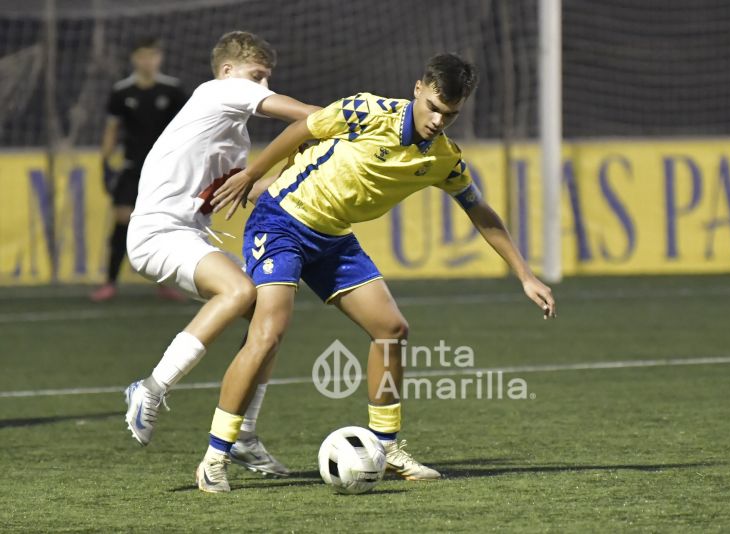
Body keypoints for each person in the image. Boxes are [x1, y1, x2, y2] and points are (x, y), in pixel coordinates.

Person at [197, 53, 557, 493]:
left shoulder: (444, 158)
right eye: (435, 108)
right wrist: (253, 174)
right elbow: (301, 130)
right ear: (419, 89)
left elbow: (480, 211)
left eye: (451, 114)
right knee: (269, 332)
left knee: (391, 329)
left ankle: (385, 449)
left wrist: (525, 275)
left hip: (333, 239)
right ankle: (215, 455)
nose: (440, 120)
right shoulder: (367, 111)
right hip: (282, 223)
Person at [122, 31, 319, 481]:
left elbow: (250, 191)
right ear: (229, 71)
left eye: (268, 80)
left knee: (266, 311)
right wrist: (345, 120)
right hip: (158, 232)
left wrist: (299, 168)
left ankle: (245, 434)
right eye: (257, 77)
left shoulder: (232, 138)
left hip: (188, 232)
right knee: (239, 290)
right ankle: (151, 388)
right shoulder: (216, 92)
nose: (263, 88)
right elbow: (306, 115)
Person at [91, 37, 187, 302]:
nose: (148, 61)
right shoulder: (122, 91)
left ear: (160, 58)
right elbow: (111, 130)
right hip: (132, 167)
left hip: (166, 170)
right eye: (142, 56)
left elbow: (188, 129)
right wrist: (105, 161)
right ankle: (110, 282)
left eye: (153, 55)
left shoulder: (173, 90)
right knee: (123, 219)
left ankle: (165, 282)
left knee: (164, 224)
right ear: (134, 59)